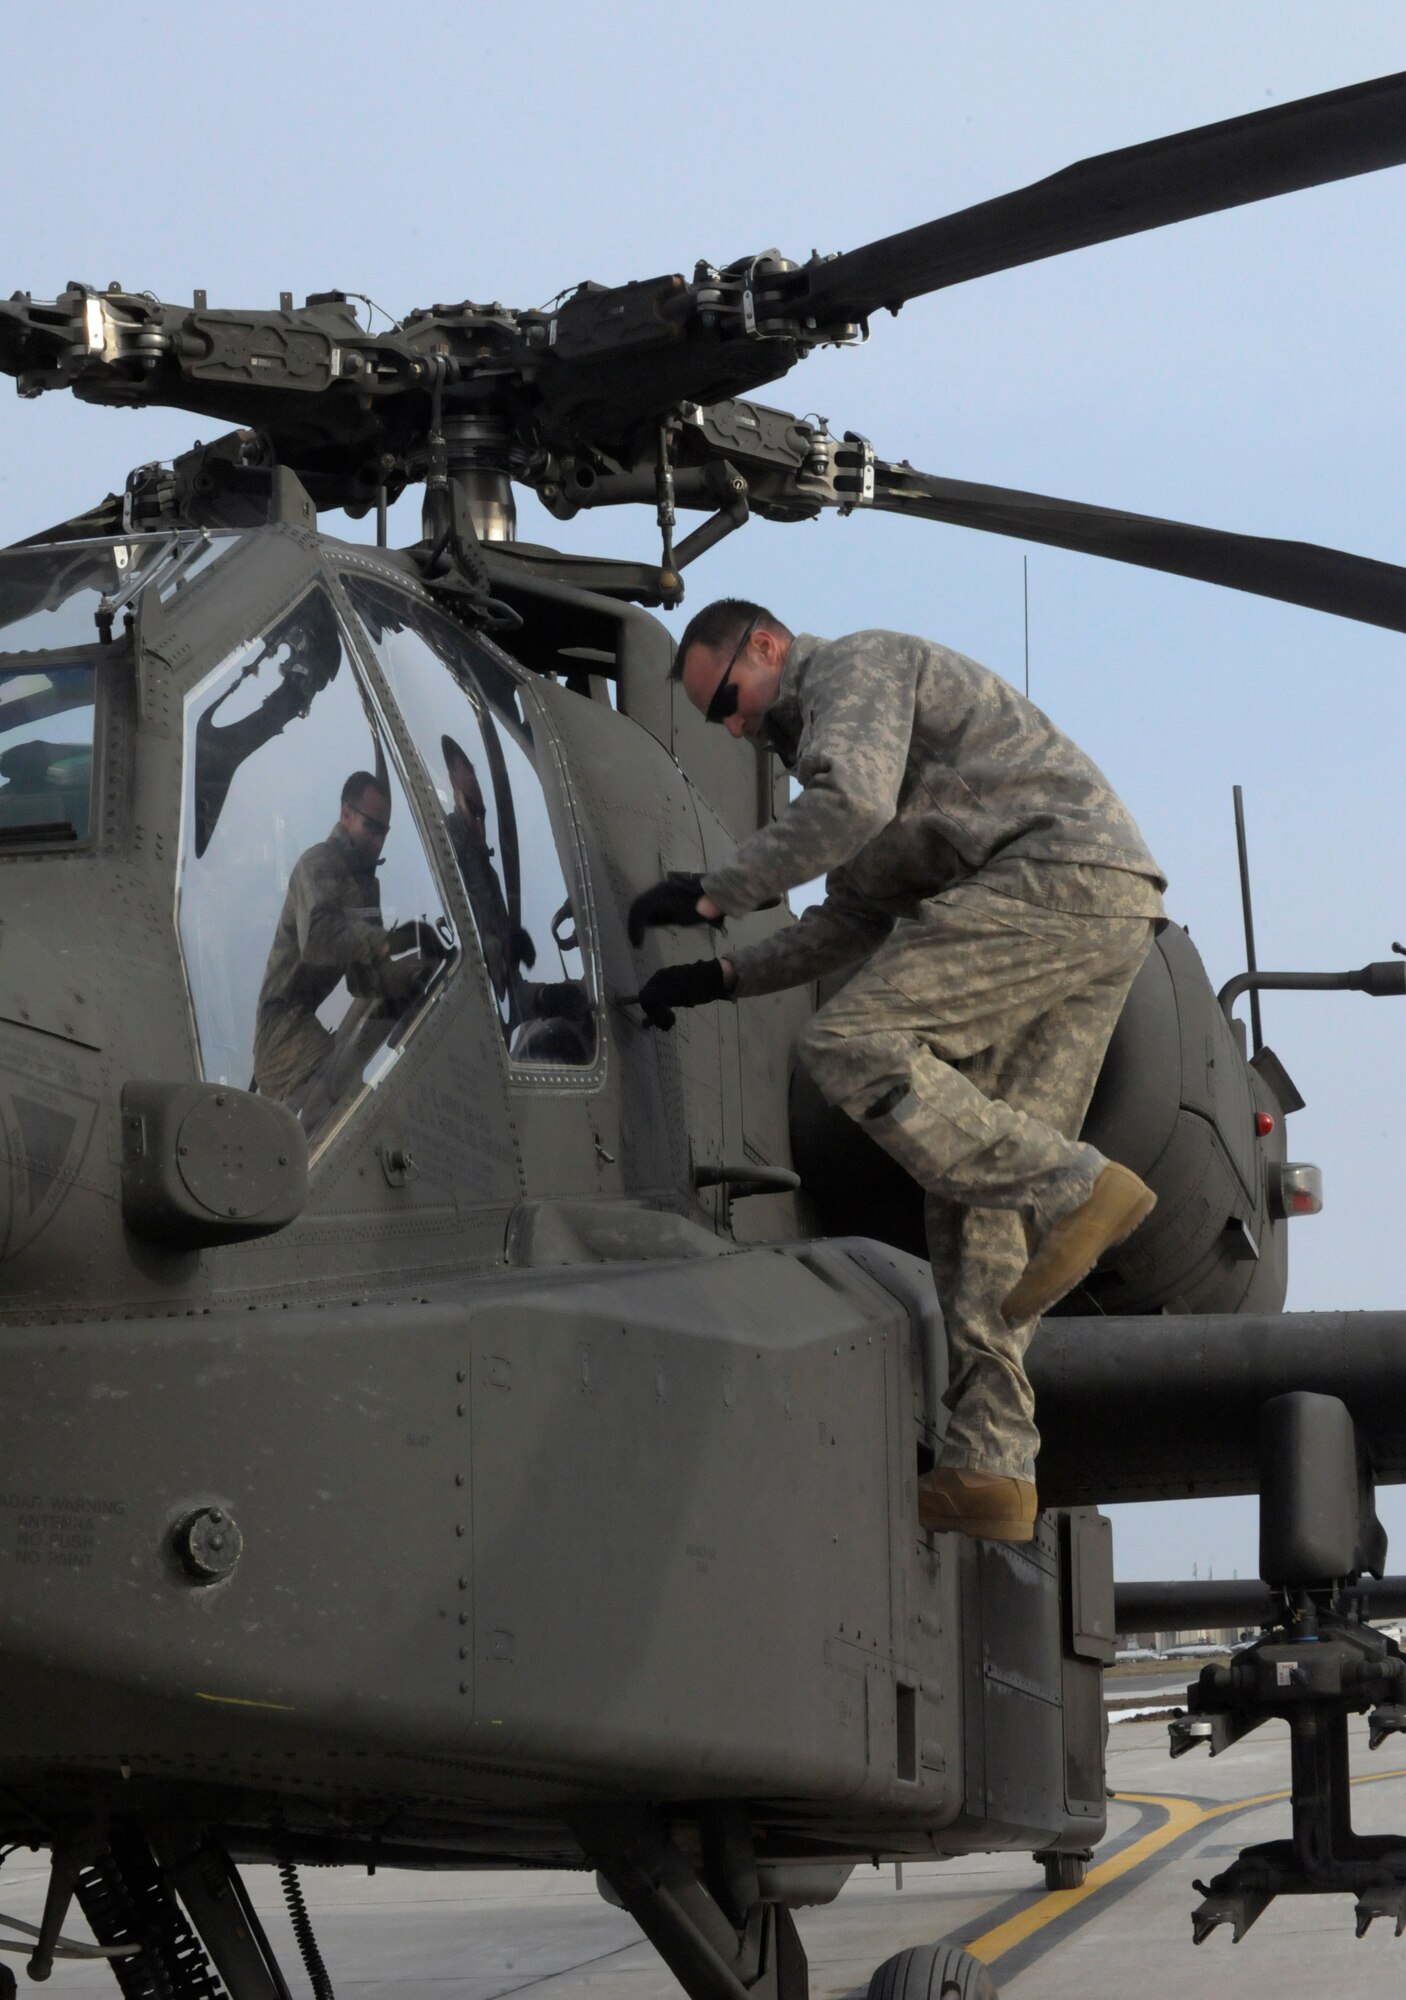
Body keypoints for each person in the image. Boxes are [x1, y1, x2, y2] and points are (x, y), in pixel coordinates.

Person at [627, 600, 1167, 1544]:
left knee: (848, 1044)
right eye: (720, 719)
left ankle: (1077, 1187)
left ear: (766, 646)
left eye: (729, 701)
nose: (736, 728)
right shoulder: (847, 747)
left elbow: (853, 806)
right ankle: (994, 1464)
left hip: (1049, 878)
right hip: (1103, 907)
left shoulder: (856, 673)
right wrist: (718, 977)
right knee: (968, 1205)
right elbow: (846, 921)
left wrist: (719, 889)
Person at [254, 770, 421, 1128]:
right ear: (346, 815)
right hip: (281, 1032)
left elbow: (363, 984)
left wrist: (415, 969)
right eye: (371, 827)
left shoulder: (363, 886)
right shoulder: (317, 864)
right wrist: (387, 940)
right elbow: (317, 940)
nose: (377, 841)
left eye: (383, 833)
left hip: (304, 1028)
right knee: (333, 1096)